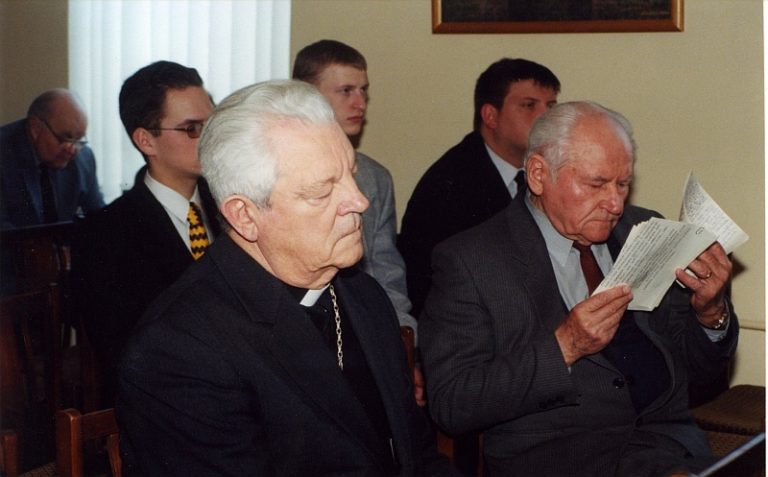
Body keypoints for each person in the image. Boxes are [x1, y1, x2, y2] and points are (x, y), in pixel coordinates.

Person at [116, 80, 459, 476]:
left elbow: (417, 457)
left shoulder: (363, 295)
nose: (359, 201)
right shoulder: (180, 350)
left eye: (350, 174)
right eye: (321, 192)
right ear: (245, 215)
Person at [420, 101, 738, 477]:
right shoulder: (471, 261)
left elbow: (702, 380)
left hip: (670, 449)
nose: (615, 203)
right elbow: (453, 404)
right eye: (596, 184)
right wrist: (564, 348)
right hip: (560, 459)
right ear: (538, 174)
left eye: (623, 184)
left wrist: (710, 313)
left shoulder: (643, 230)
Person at [71, 61, 220, 406]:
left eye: (212, 124)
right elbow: (129, 355)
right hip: (170, 406)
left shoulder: (233, 207)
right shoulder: (105, 236)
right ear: (145, 140)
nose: (210, 138)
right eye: (191, 129)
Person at [398, 58, 560, 316]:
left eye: (551, 106)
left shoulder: (553, 170)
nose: (545, 117)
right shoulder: (449, 184)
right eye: (528, 105)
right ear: (490, 116)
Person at [292, 40, 418, 338]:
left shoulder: (375, 177)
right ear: (306, 95)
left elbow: (386, 271)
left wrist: (403, 335)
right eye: (346, 91)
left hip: (361, 329)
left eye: (364, 90)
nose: (360, 103)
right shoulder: (282, 172)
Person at [0, 89, 104, 229]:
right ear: (35, 128)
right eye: (65, 138)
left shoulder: (84, 158)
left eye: (79, 140)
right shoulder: (5, 152)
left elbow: (99, 219)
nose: (73, 149)